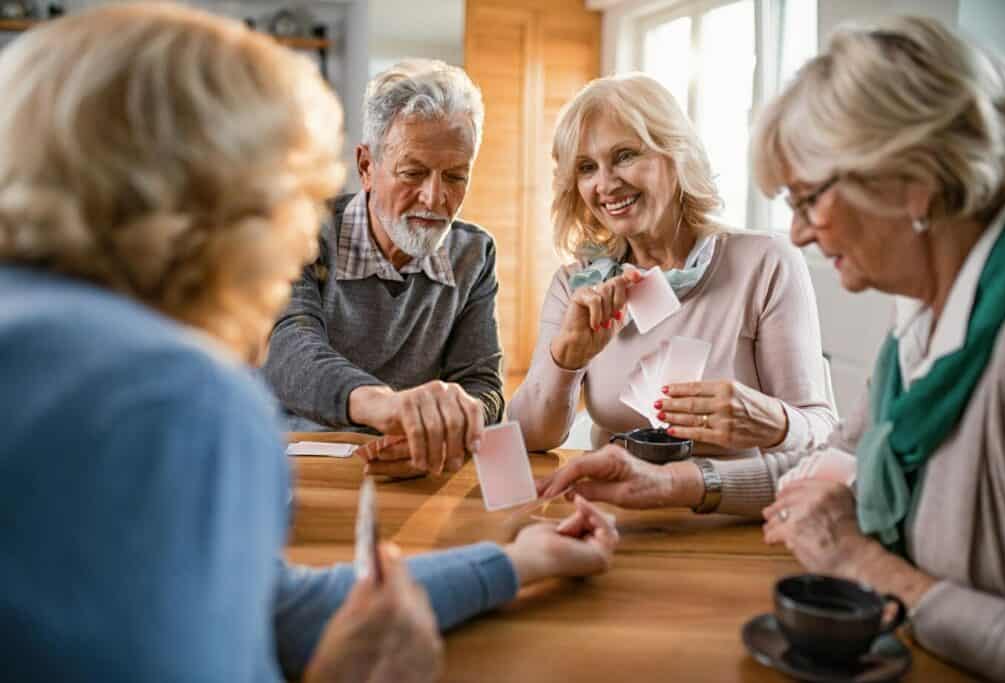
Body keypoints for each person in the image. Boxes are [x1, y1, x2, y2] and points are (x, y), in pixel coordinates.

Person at [0, 6, 618, 682]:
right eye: (288, 195)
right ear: (206, 197)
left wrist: (514, 562)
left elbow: (269, 605)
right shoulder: (180, 398)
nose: (297, 233)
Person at [540, 16, 1005, 681]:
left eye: (809, 197)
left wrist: (867, 565)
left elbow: (820, 450)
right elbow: (831, 465)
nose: (796, 232)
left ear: (911, 180)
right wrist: (673, 482)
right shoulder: (914, 323)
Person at [507, 73, 837, 457]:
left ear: (676, 153)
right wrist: (567, 360)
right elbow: (528, 439)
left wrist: (772, 420)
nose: (605, 184)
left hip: (733, 509)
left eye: (625, 156)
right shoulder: (576, 285)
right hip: (612, 507)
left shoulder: (765, 263)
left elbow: (820, 432)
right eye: (586, 167)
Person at [264, 59, 502, 477]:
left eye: (455, 176)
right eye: (413, 173)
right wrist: (387, 406)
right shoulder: (302, 229)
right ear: (366, 167)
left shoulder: (474, 254)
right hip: (295, 458)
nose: (434, 198)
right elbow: (289, 346)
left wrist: (446, 427)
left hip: (408, 467)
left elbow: (483, 386)